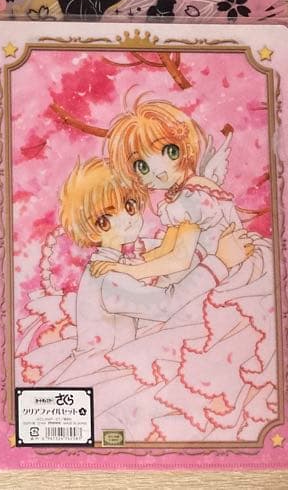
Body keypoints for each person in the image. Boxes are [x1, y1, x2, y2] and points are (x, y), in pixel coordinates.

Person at [24, 156, 269, 442]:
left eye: (129, 206)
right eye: (105, 219)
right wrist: (220, 262)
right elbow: (166, 304)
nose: (126, 219)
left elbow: (157, 259)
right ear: (91, 230)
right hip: (106, 371)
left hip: (118, 359)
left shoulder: (116, 260)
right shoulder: (108, 276)